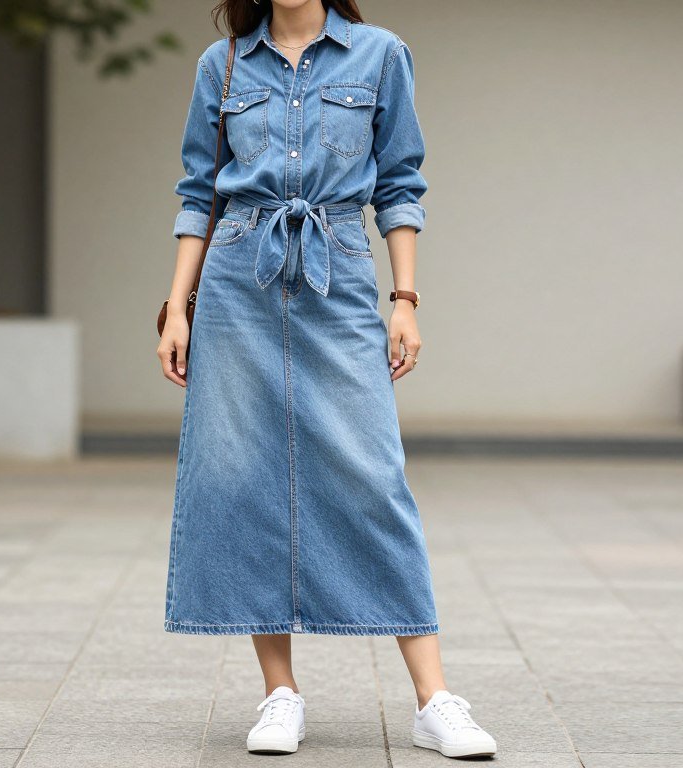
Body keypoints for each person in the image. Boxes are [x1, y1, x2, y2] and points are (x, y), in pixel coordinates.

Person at [157, 0, 497, 759]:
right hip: (237, 279)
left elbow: (401, 182)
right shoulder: (225, 65)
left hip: (338, 272)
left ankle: (434, 698)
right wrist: (176, 306)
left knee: (373, 476)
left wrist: (403, 298)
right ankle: (280, 694)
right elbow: (199, 192)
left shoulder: (380, 54)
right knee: (243, 476)